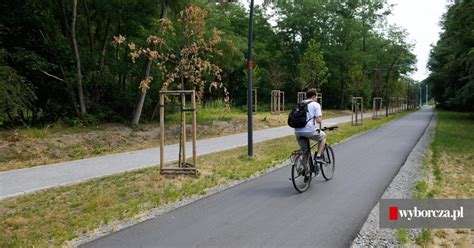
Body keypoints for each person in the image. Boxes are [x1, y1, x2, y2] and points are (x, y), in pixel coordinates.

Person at [294, 88, 327, 175]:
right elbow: (318, 121)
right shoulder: (315, 104)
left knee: (305, 151)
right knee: (323, 137)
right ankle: (319, 156)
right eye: (316, 97)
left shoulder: (300, 103)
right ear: (313, 96)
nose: (317, 98)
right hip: (309, 131)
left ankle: (305, 170)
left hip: (297, 132)